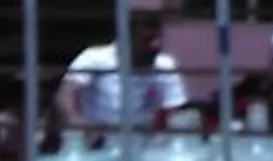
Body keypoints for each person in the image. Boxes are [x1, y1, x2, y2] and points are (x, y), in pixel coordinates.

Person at [53, 10, 188, 150]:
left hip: (141, 143)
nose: (156, 45)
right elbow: (64, 95)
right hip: (97, 141)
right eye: (148, 39)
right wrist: (77, 122)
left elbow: (174, 107)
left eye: (159, 38)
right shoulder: (95, 58)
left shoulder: (165, 65)